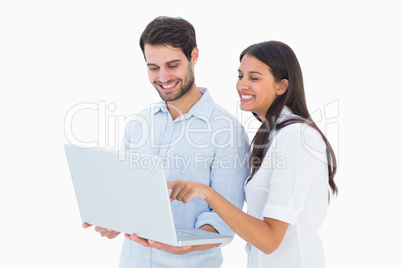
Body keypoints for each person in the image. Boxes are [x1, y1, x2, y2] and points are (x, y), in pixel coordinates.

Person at [83, 16, 250, 268]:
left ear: (193, 56)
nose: (163, 77)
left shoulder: (227, 131)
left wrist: (187, 244)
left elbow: (225, 220)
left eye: (172, 64)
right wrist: (113, 220)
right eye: (153, 67)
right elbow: (131, 198)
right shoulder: (138, 125)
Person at [168, 41, 338, 268]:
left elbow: (269, 240)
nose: (242, 85)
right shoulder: (273, 135)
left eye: (254, 78)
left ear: (281, 86)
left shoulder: (295, 137)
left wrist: (208, 193)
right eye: (240, 76)